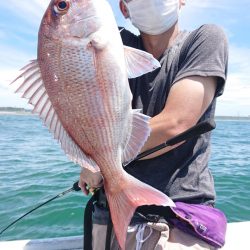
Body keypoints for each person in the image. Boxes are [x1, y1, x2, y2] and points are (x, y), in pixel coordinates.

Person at [79, 0, 229, 249]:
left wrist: (100, 161)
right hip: (111, 215)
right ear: (124, 9)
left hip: (179, 212)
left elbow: (176, 123)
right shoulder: (113, 42)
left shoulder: (205, 39)